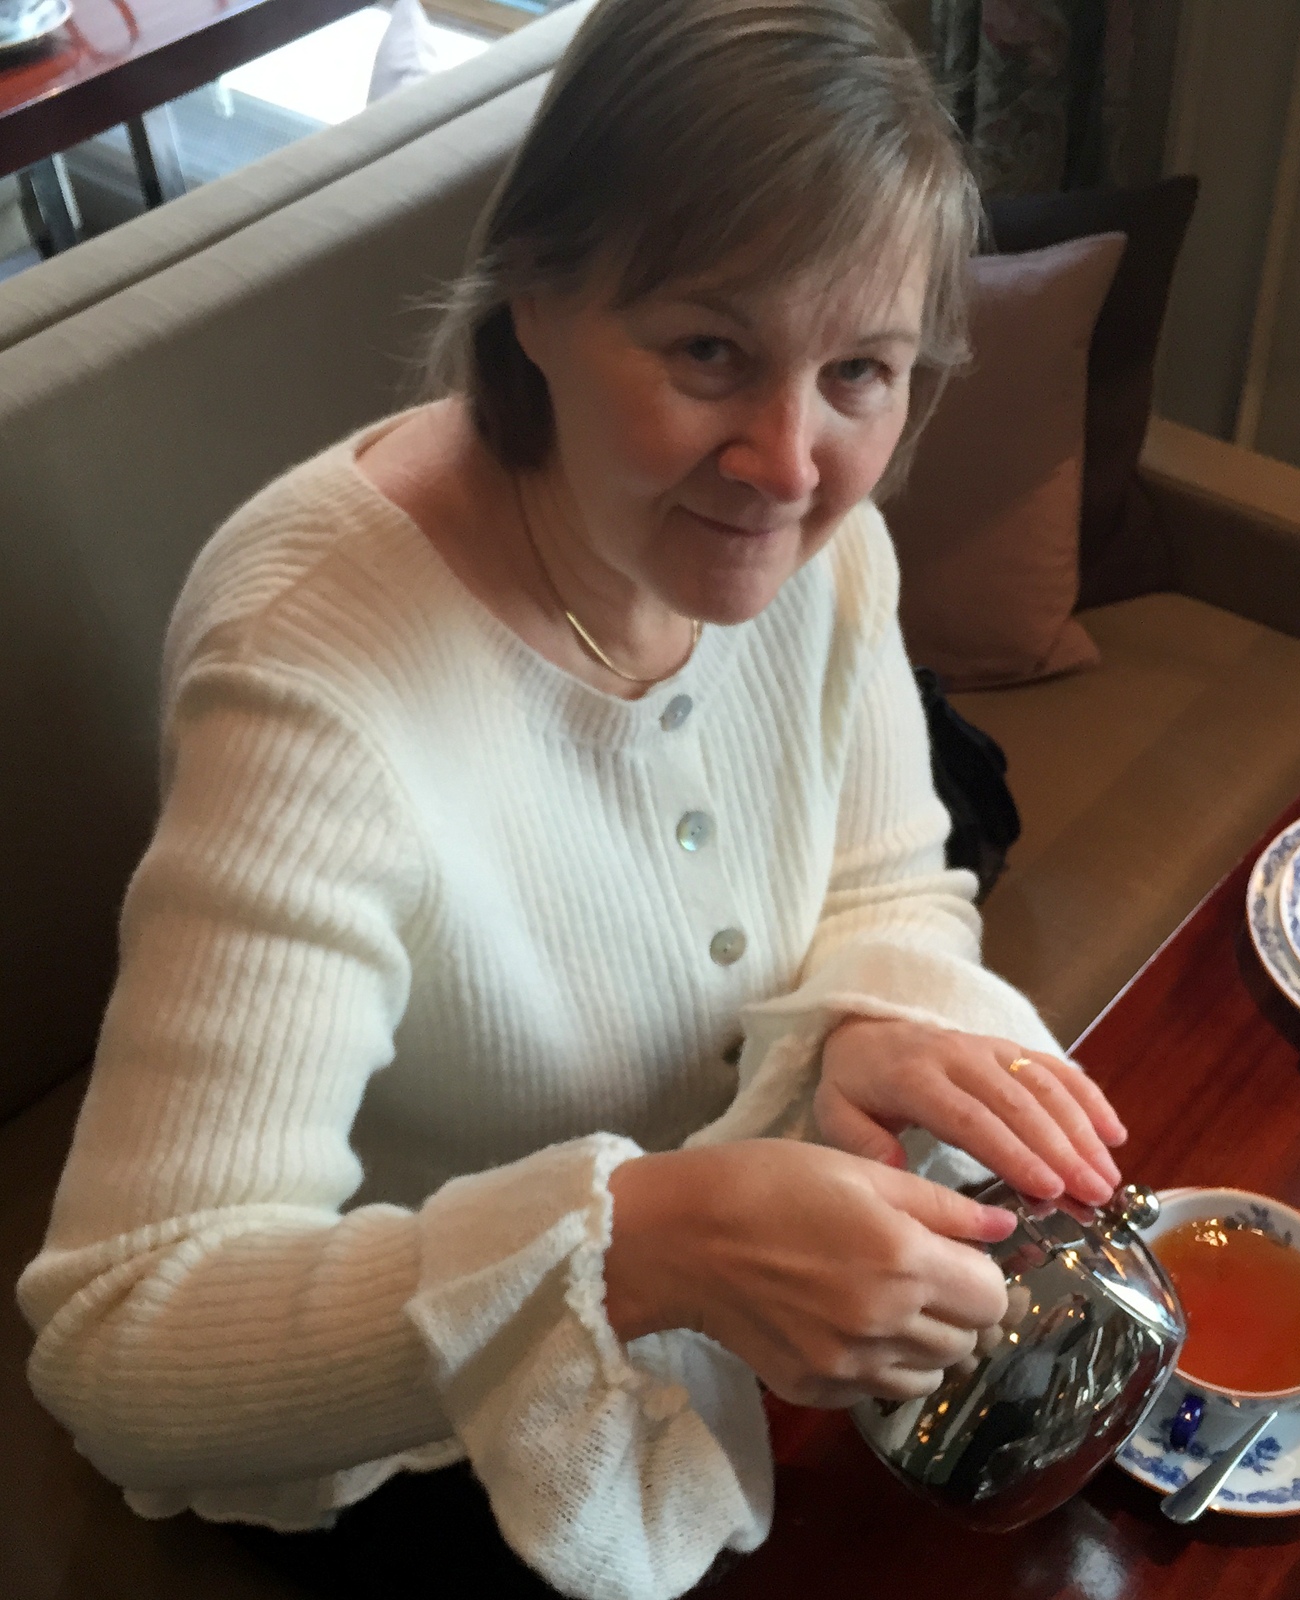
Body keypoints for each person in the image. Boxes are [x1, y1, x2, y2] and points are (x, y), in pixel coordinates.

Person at [17, 1, 1128, 1597]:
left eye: (860, 372)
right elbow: (126, 1339)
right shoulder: (315, 680)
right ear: (532, 294)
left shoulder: (823, 557)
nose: (789, 463)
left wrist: (871, 1019)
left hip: (757, 1290)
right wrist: (640, 1249)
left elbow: (889, 883)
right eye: (708, 351)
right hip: (416, 1412)